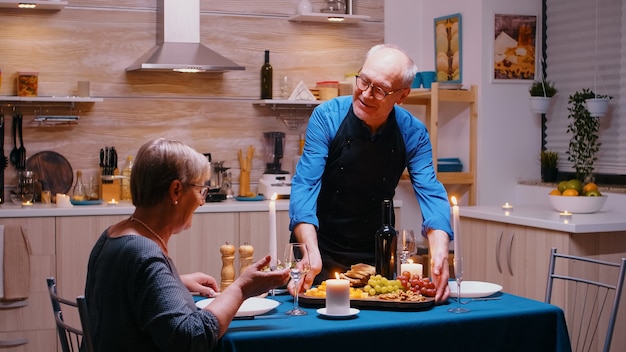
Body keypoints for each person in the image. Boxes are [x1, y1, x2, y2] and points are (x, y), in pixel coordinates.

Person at [85, 138, 290, 351]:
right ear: (175, 190)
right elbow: (191, 340)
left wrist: (175, 282)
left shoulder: (113, 235)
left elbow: (126, 292)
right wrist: (242, 288)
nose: (202, 201)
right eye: (201, 190)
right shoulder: (143, 253)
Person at [289, 44, 453, 304]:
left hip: (378, 253)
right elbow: (305, 185)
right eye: (363, 81)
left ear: (402, 95)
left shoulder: (414, 133)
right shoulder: (326, 117)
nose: (365, 94)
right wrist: (310, 252)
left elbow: (431, 192)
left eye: (380, 90)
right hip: (320, 250)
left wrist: (440, 251)